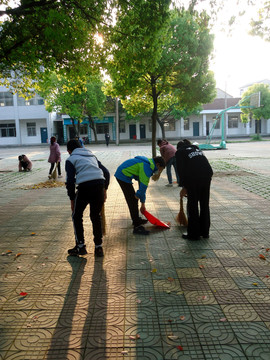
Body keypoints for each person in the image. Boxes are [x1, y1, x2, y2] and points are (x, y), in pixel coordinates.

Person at [65, 139, 110, 257]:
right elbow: (106, 172)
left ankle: (80, 246)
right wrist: (104, 190)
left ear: (69, 151)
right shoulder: (92, 156)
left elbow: (70, 181)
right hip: (99, 185)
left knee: (76, 215)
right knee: (96, 216)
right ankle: (98, 247)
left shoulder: (71, 159)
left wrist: (72, 199)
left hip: (84, 187)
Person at [115, 156, 165, 235]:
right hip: (122, 176)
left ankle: (136, 219)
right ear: (158, 165)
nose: (159, 172)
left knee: (134, 199)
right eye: (160, 170)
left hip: (123, 174)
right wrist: (138, 195)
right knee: (132, 200)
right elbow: (143, 186)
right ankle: (137, 226)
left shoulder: (148, 164)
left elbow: (142, 185)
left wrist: (142, 203)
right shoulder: (147, 167)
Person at [175, 139, 213, 240]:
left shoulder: (179, 152)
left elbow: (181, 170)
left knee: (192, 205)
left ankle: (194, 234)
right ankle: (205, 232)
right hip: (207, 175)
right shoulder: (197, 149)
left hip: (193, 177)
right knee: (204, 204)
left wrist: (184, 187)